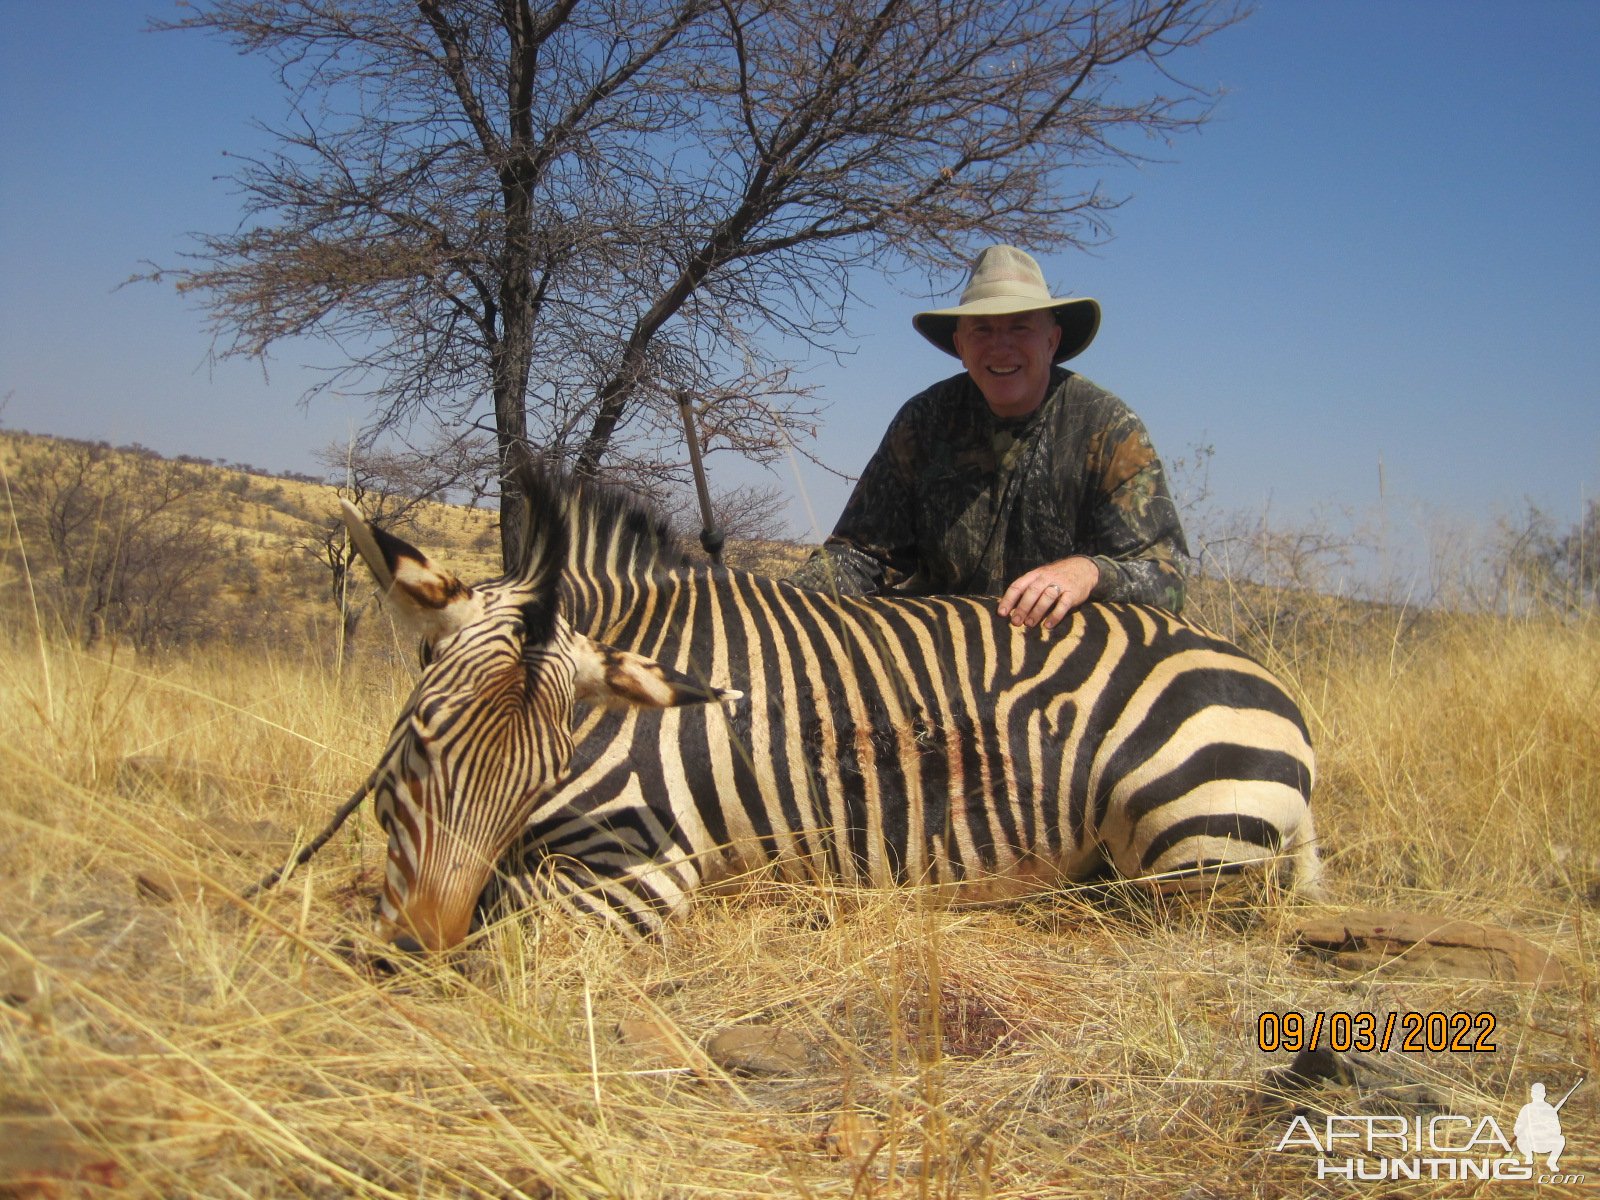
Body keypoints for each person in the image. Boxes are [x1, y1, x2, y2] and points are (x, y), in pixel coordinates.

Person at [790, 244, 1188, 627]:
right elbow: (860, 553)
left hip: (1061, 669)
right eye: (982, 329)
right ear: (961, 346)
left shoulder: (1108, 427)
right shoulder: (922, 420)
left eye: (1020, 327)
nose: (1001, 346)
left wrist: (1089, 572)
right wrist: (781, 602)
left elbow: (1166, 580)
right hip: (937, 657)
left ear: (1052, 341)